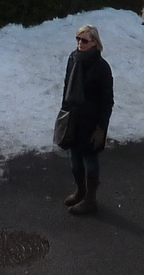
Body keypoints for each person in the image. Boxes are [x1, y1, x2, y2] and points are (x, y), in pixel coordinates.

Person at [58, 23, 113, 216]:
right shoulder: (73, 60)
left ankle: (90, 199)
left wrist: (101, 128)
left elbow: (107, 101)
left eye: (84, 40)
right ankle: (80, 190)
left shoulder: (101, 68)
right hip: (74, 118)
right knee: (75, 161)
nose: (80, 43)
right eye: (78, 39)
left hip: (91, 122)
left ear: (95, 43)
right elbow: (67, 87)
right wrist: (64, 111)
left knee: (90, 160)